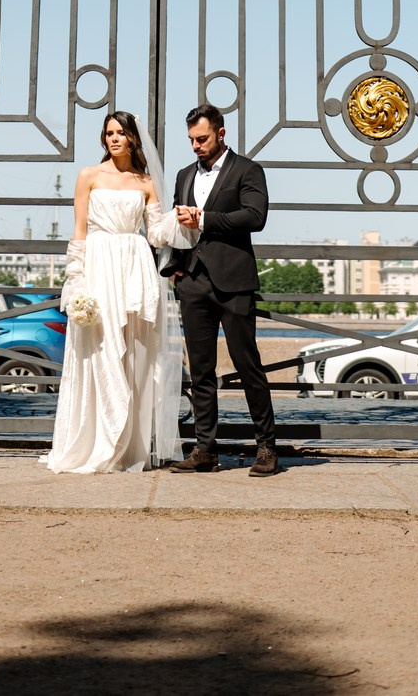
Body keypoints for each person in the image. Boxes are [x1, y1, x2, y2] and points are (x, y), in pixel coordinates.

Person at [41, 110, 193, 474]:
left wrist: (180, 217)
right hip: (98, 263)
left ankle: (125, 445)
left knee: (135, 354)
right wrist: (75, 277)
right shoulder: (88, 176)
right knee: (99, 351)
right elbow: (79, 230)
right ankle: (96, 440)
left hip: (134, 265)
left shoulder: (145, 182)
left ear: (132, 139)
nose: (113, 138)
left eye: (120, 133)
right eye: (108, 133)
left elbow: (155, 234)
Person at [163, 102, 280, 477]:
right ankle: (205, 450)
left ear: (221, 133)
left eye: (202, 138)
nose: (196, 145)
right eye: (191, 140)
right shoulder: (183, 175)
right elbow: (178, 228)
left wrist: (206, 218)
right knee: (200, 372)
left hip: (234, 282)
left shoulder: (248, 169)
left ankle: (266, 449)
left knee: (249, 367)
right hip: (193, 283)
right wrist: (176, 270)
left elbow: (255, 217)